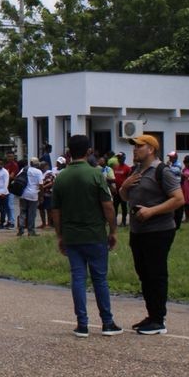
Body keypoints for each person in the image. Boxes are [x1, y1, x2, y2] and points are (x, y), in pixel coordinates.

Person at [52, 134, 121, 337]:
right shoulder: (96, 175)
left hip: (72, 236)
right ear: (89, 151)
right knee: (100, 279)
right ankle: (107, 323)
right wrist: (113, 230)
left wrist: (60, 235)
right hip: (94, 234)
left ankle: (82, 324)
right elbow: (108, 206)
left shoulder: (61, 177)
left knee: (78, 278)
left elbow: (55, 211)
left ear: (68, 152)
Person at [117, 133, 184, 336]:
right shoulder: (136, 170)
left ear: (151, 149)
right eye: (134, 146)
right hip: (138, 230)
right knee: (143, 273)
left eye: (139, 146)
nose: (135, 149)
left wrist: (151, 211)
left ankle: (158, 319)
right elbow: (125, 196)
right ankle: (151, 314)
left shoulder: (162, 171)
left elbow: (178, 199)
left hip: (159, 230)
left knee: (156, 273)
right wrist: (124, 188)